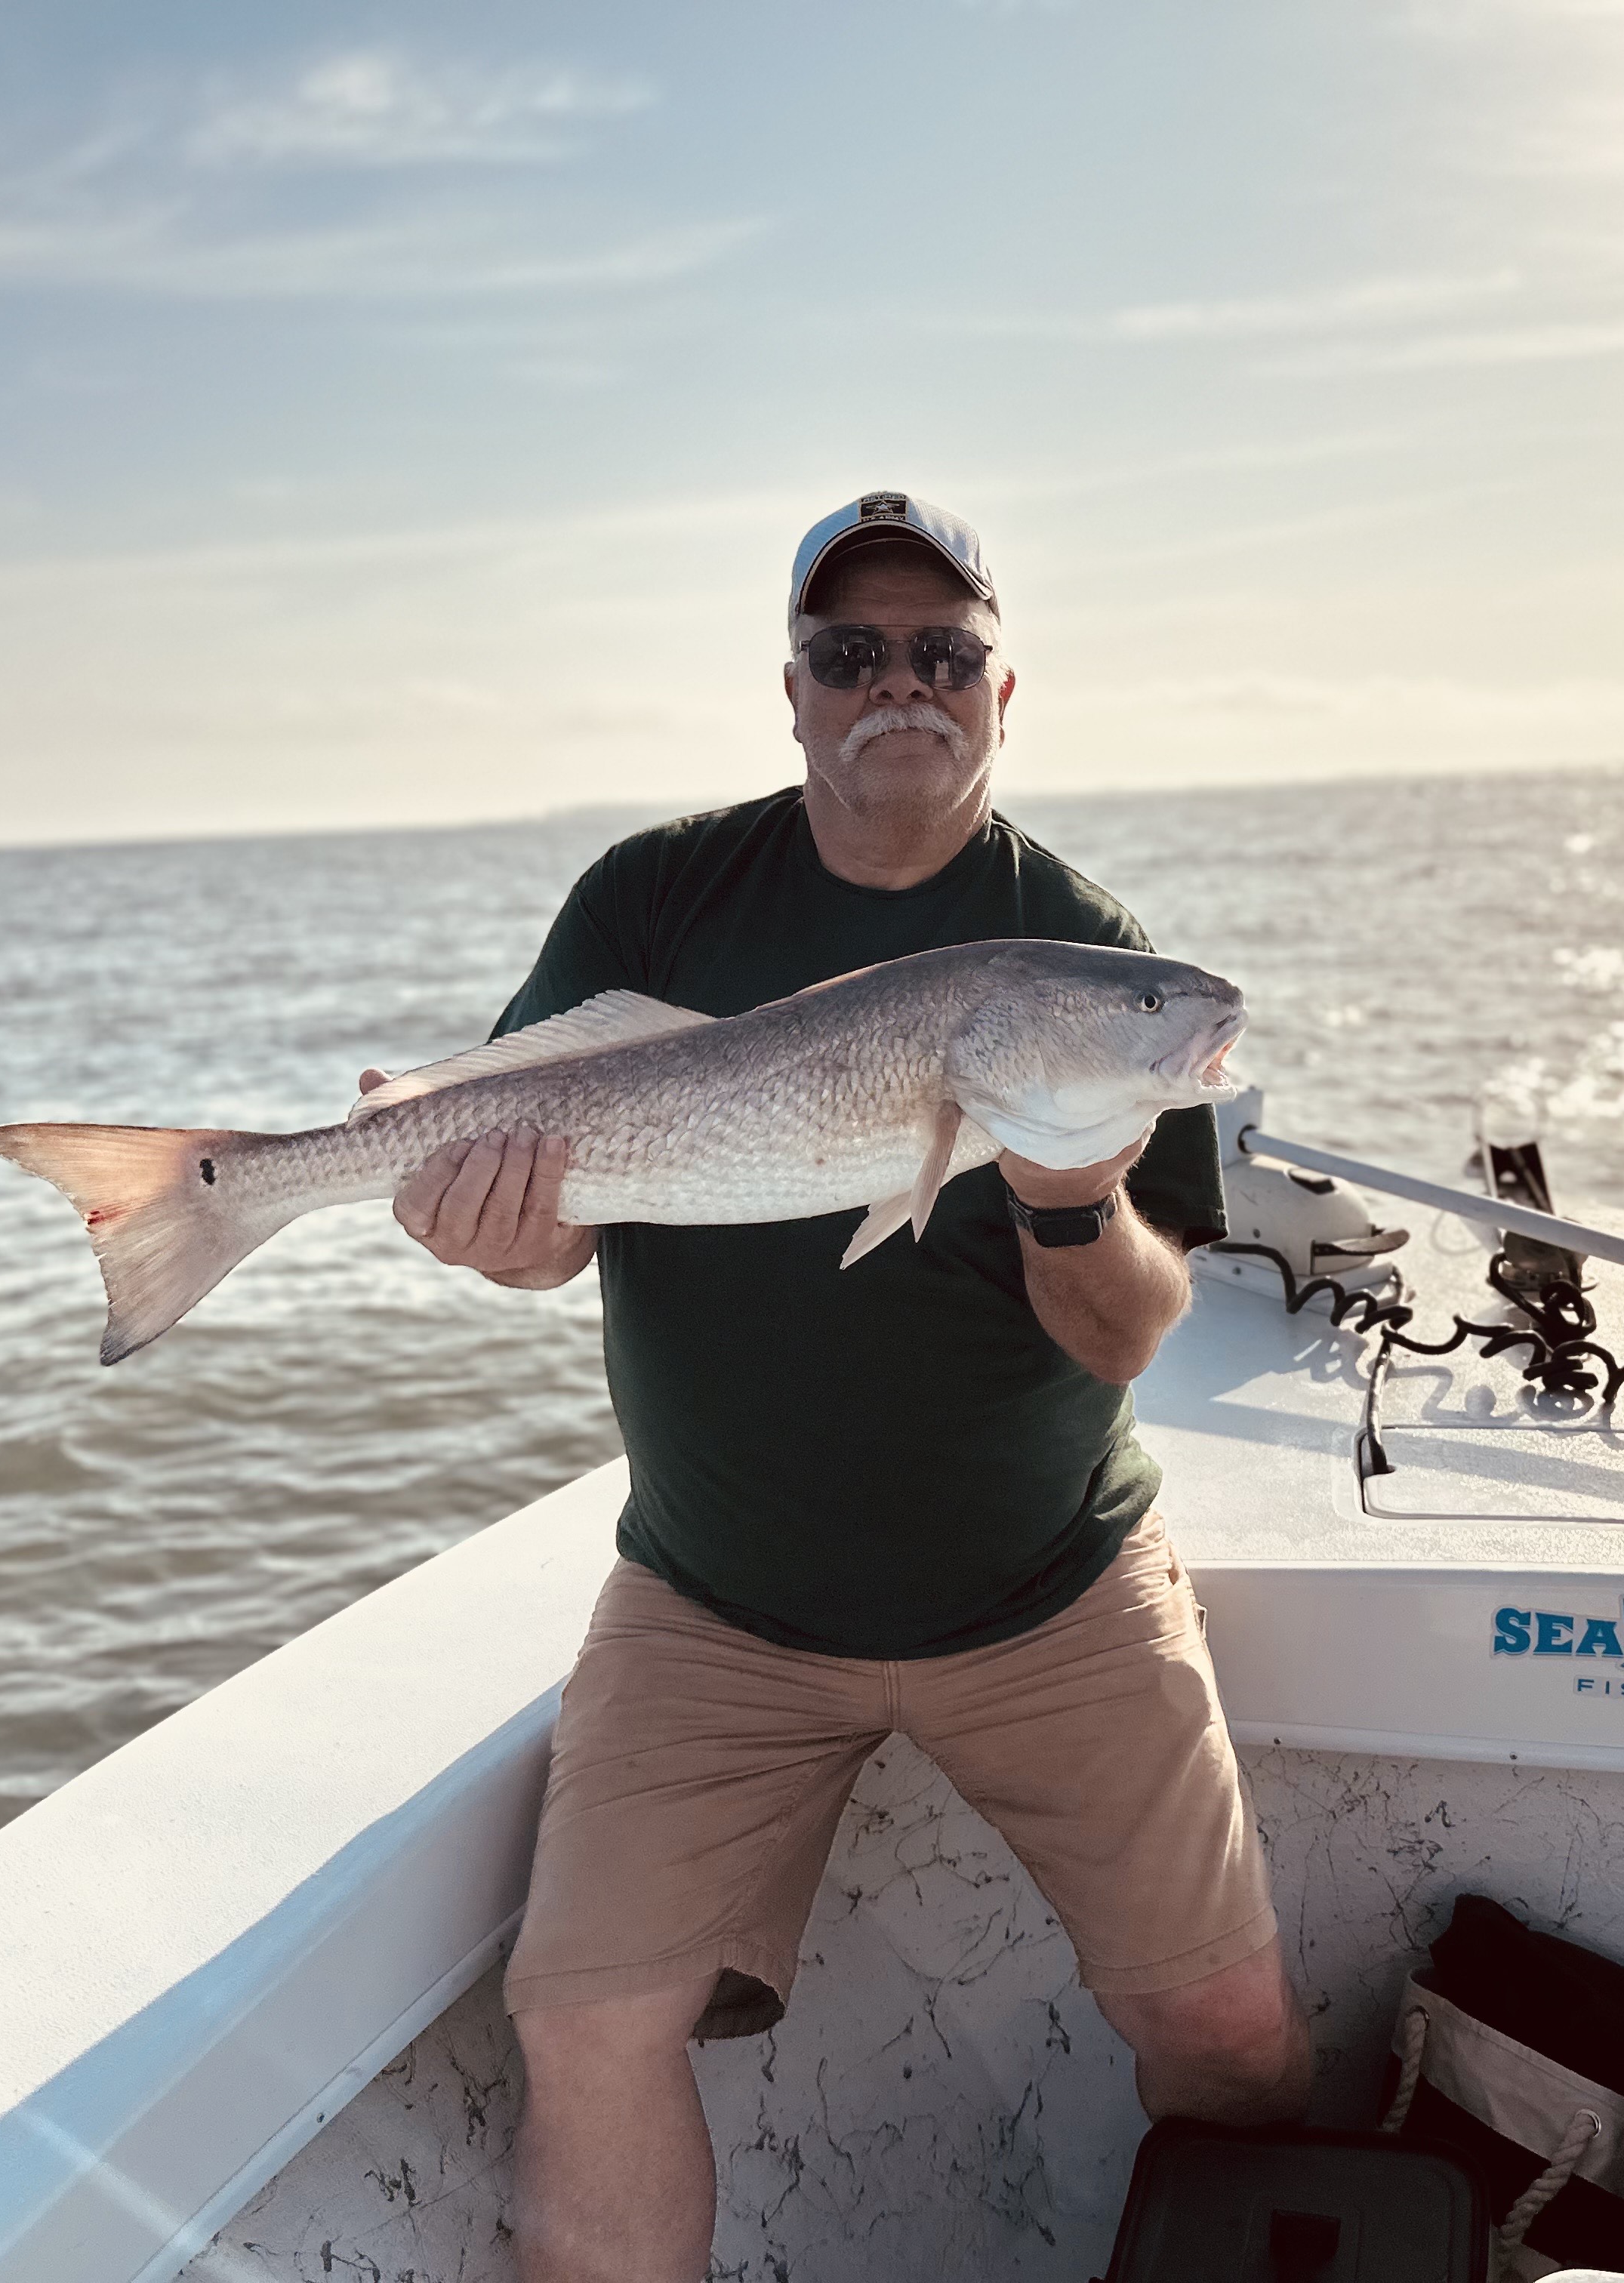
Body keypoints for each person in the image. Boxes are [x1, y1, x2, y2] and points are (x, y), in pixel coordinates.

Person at [374, 492, 1311, 2283]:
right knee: (580, 2024)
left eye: (945, 652)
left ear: (1002, 692)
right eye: (853, 651)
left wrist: (1070, 1195)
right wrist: (492, 1228)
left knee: (1236, 2035)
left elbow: (1129, 1334)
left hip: (1049, 1591)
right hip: (712, 1607)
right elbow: (548, 1240)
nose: (902, 682)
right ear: (795, 690)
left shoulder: (1078, 943)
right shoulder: (656, 895)